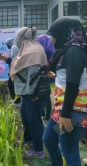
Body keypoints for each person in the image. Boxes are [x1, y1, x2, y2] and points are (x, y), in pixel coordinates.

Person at [41, 18, 87, 166]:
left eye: (53, 35)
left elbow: (73, 84)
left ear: (64, 33)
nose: (51, 39)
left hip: (72, 111)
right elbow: (72, 77)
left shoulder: (74, 51)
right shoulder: (67, 50)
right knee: (48, 139)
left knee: (68, 150)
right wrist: (56, 76)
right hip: (61, 110)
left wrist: (66, 114)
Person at [10, 26, 47, 158]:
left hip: (32, 94)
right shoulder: (28, 49)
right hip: (25, 93)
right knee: (25, 118)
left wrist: (31, 93)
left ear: (22, 38)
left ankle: (38, 150)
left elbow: (33, 74)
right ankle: (28, 139)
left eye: (17, 37)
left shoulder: (33, 51)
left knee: (34, 120)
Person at [36, 35, 55, 121]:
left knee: (46, 94)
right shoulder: (49, 49)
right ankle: (44, 113)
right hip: (46, 74)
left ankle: (47, 115)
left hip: (47, 74)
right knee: (44, 93)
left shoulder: (46, 50)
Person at [1, 38, 20, 104]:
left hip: (15, 70)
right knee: (13, 84)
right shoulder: (15, 47)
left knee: (12, 85)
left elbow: (13, 60)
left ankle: (16, 100)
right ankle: (16, 99)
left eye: (7, 44)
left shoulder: (14, 47)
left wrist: (11, 71)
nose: (7, 46)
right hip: (15, 69)